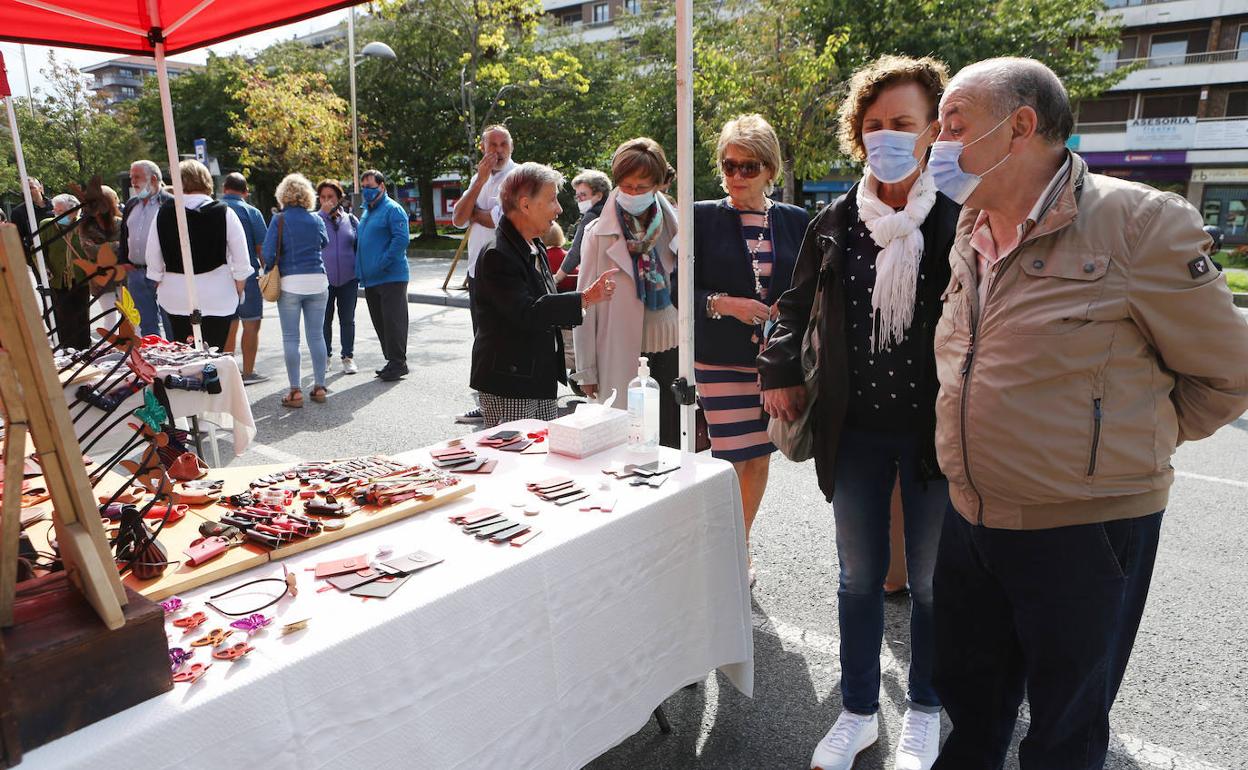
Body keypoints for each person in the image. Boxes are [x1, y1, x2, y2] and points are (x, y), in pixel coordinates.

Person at [925, 57, 1248, 770]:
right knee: (970, 703)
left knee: (1065, 725)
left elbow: (1228, 373)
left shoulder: (1140, 222)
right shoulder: (971, 224)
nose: (935, 144)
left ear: (1021, 127)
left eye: (953, 124)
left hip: (1086, 527)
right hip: (971, 514)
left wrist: (1123, 447)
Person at [758, 55, 958, 770]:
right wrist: (778, 370)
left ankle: (927, 710)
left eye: (903, 123)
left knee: (935, 582)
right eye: (874, 125)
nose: (888, 137)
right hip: (858, 431)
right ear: (857, 135)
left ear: (934, 129)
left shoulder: (961, 220)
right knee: (857, 578)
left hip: (941, 436)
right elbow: (792, 308)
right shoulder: (836, 221)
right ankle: (858, 712)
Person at [692, 114, 808, 588]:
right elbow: (678, 288)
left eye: (749, 166)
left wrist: (787, 307)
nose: (737, 175)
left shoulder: (795, 221)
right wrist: (723, 304)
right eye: (729, 164)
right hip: (718, 358)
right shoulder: (700, 215)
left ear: (770, 170)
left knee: (758, 456)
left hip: (773, 361)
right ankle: (720, 545)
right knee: (726, 458)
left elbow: (809, 286)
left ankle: (738, 544)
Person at [470, 162, 619, 426]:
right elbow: (527, 312)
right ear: (525, 204)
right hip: (510, 383)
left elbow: (544, 303)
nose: (559, 209)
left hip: (535, 378)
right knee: (516, 462)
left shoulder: (533, 243)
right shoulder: (497, 254)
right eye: (552, 200)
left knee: (539, 457)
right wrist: (584, 297)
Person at [574, 137, 682, 447]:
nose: (633, 193)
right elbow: (585, 304)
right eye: (627, 185)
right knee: (631, 444)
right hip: (621, 352)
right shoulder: (597, 233)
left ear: (658, 185)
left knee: (672, 440)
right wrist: (587, 370)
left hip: (672, 348)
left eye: (642, 186)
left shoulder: (676, 226)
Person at [145, 159, 251, 351]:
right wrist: (237, 290)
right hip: (218, 296)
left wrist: (162, 282)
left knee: (184, 356)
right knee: (214, 357)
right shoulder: (225, 213)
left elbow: (153, 260)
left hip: (176, 296)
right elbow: (242, 262)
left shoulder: (163, 213)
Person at [451, 124, 518, 423]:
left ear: (511, 148)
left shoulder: (517, 177)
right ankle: (487, 401)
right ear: (483, 148)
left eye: (504, 144)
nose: (499, 151)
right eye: (493, 145)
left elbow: (499, 221)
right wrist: (478, 184)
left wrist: (477, 216)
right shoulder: (479, 178)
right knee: (482, 338)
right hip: (477, 273)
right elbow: (457, 219)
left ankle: (509, 401)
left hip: (506, 271)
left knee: (503, 338)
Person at [263, 173, 330, 408]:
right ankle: (320, 387)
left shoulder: (279, 220)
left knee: (291, 337)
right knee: (316, 335)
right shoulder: (316, 220)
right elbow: (324, 243)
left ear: (283, 195)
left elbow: (269, 253)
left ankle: (295, 392)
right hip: (318, 280)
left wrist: (267, 269)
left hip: (291, 282)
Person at [355, 169, 410, 381]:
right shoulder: (368, 211)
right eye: (364, 187)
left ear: (382, 186)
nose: (367, 191)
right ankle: (391, 360)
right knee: (381, 322)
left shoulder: (392, 209)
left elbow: (401, 240)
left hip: (391, 276)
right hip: (372, 279)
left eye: (371, 186)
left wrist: (383, 263)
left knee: (393, 321)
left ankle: (398, 362)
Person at [220, 172, 270, 383]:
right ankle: (248, 372)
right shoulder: (252, 212)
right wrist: (268, 272)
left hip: (219, 276)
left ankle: (226, 374)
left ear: (224, 189)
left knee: (228, 324)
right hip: (247, 274)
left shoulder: (214, 209)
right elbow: (262, 248)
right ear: (245, 192)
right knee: (251, 324)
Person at [118, 160, 174, 338]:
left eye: (137, 177)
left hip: (164, 274)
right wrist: (124, 261)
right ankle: (154, 358)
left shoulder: (169, 204)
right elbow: (124, 234)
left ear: (154, 179)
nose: (133, 181)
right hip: (136, 273)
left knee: (171, 321)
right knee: (145, 324)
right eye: (131, 177)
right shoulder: (131, 204)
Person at [67, 184, 124, 330]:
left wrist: (105, 247)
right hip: (100, 278)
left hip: (123, 276)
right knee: (109, 318)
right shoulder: (85, 227)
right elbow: (91, 250)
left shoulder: (121, 223)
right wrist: (115, 245)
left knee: (130, 317)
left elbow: (126, 247)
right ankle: (113, 349)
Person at [317, 179, 360, 375]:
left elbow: (359, 246)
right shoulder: (315, 220)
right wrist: (323, 216)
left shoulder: (351, 220)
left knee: (347, 319)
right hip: (323, 280)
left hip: (349, 278)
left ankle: (348, 357)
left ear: (339, 198)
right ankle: (325, 357)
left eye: (330, 197)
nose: (327, 201)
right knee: (325, 320)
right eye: (323, 197)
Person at [38, 194, 89, 350]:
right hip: (58, 279)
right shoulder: (47, 225)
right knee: (63, 316)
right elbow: (37, 250)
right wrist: (44, 267)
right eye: (55, 211)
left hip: (81, 277)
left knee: (82, 315)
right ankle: (67, 349)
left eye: (61, 211)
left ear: (74, 211)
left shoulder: (84, 225)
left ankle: (84, 348)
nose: (57, 214)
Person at [553, 169, 611, 286]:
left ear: (599, 196)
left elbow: (576, 251)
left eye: (583, 195)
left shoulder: (592, 216)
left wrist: (557, 278)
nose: (579, 200)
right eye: (577, 196)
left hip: (596, 279)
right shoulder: (613, 212)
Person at [12, 176, 54, 259]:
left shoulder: (55, 205)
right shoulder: (18, 212)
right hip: (37, 255)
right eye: (25, 189)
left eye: (31, 187)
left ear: (40, 188)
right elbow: (18, 239)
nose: (29, 191)